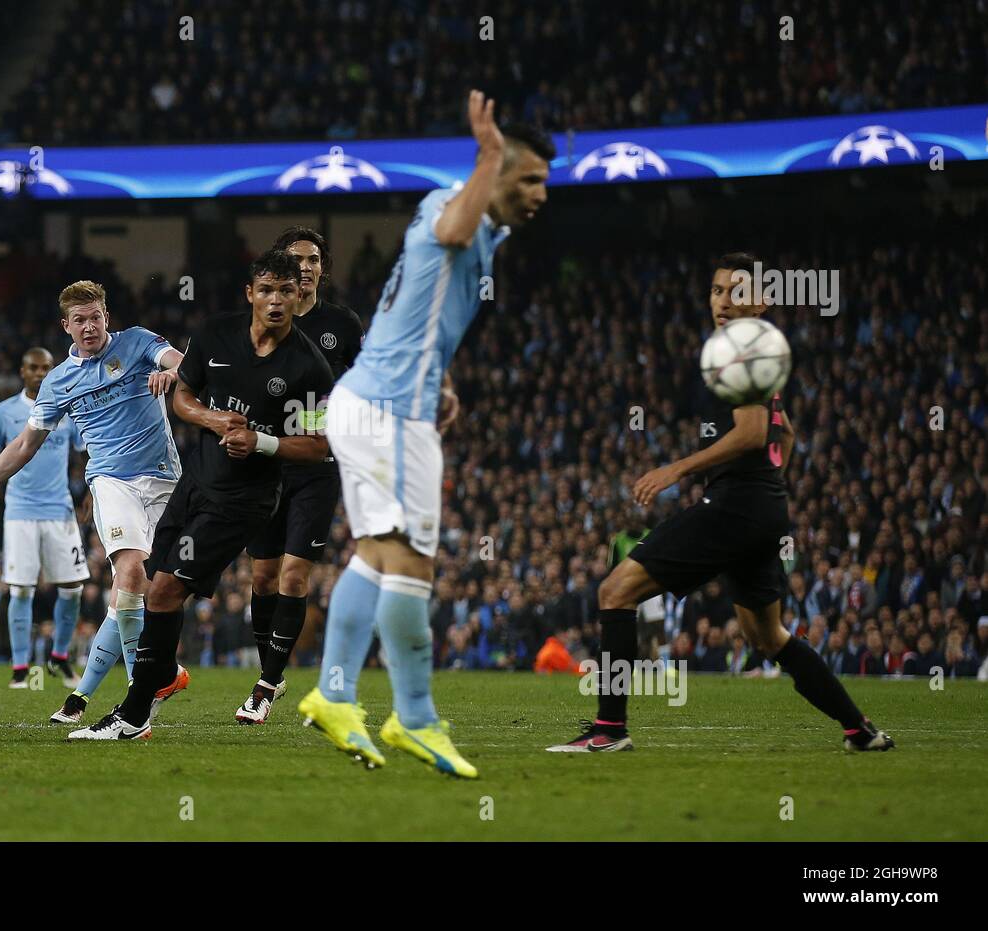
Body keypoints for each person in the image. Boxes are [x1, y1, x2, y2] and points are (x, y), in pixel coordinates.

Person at [297, 90, 552, 778]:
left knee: (378, 555)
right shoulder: (452, 210)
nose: (540, 194)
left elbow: (415, 305)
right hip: (385, 413)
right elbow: (449, 234)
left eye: (543, 182)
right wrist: (492, 153)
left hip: (385, 403)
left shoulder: (476, 228)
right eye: (528, 179)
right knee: (411, 562)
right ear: (492, 174)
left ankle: (335, 693)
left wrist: (437, 377)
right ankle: (414, 717)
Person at [549, 252, 894, 754]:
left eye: (737, 290)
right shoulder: (758, 351)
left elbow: (754, 433)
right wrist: (771, 490)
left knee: (615, 591)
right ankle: (859, 731)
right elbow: (787, 433)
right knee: (768, 637)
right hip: (760, 507)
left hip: (735, 506)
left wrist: (678, 469)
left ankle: (608, 730)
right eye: (716, 290)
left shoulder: (741, 350)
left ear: (763, 298)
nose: (723, 301)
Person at [68, 250, 333, 740]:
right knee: (155, 591)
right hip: (193, 483)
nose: (276, 300)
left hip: (244, 500)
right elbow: (183, 395)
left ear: (300, 297)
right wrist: (214, 420)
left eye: (287, 291)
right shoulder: (215, 335)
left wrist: (263, 442)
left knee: (167, 591)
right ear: (250, 294)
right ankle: (156, 684)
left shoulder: (308, 369)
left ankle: (132, 715)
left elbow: (318, 445)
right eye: (267, 290)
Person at [0, 280, 183, 725]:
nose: (89, 326)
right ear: (66, 326)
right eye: (79, 320)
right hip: (113, 482)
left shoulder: (137, 343)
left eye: (95, 317)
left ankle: (120, 686)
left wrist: (173, 373)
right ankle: (139, 698)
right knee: (130, 571)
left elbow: (180, 363)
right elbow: (21, 447)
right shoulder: (59, 382)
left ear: (106, 316)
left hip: (167, 481)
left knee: (143, 595)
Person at [238, 226, 363, 723]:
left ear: (322, 269)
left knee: (293, 574)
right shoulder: (263, 322)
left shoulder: (342, 325)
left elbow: (362, 385)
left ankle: (265, 685)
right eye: (296, 259)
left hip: (318, 467)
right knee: (263, 576)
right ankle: (274, 668)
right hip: (266, 465)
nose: (306, 267)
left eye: (313, 259)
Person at [0, 348, 89, 689]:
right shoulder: (5, 412)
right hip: (19, 512)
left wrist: (91, 491)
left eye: (46, 368)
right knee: (21, 590)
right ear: (22, 371)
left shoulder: (67, 407)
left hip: (59, 511)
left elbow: (86, 452)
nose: (40, 373)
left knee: (73, 589)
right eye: (34, 368)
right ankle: (20, 668)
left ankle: (60, 659)